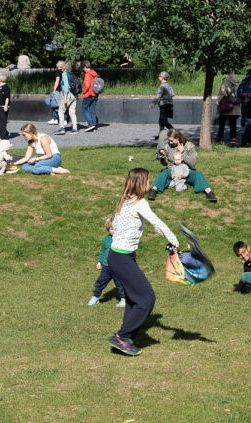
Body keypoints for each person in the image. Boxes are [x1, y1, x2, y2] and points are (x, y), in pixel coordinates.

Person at [105, 168, 180, 356]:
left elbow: (122, 229)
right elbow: (158, 224)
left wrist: (131, 254)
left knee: (133, 299)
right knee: (147, 299)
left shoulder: (124, 200)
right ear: (140, 184)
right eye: (148, 181)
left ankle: (126, 338)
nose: (150, 184)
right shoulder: (140, 203)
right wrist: (174, 241)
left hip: (119, 256)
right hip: (121, 258)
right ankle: (121, 336)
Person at [147, 130, 217, 203]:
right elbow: (165, 163)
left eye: (172, 140)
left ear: (177, 138)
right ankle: (153, 191)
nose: (170, 142)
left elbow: (192, 163)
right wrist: (163, 158)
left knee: (198, 174)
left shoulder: (189, 145)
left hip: (186, 172)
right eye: (169, 140)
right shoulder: (168, 146)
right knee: (164, 173)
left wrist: (183, 152)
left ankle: (209, 193)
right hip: (173, 172)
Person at [88, 215, 126, 308]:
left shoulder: (122, 240)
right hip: (106, 267)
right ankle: (95, 297)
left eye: (116, 228)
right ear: (108, 228)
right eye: (111, 228)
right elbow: (103, 251)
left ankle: (124, 300)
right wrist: (100, 262)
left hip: (118, 267)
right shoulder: (106, 239)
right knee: (100, 281)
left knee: (120, 285)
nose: (113, 230)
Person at [53, 60, 79, 134]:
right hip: (75, 95)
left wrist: (65, 97)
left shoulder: (64, 74)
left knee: (61, 111)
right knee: (72, 112)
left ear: (63, 68)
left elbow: (65, 86)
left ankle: (61, 128)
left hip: (67, 95)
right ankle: (75, 129)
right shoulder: (71, 74)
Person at [215, 71, 239, 144]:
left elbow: (222, 91)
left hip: (226, 102)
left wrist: (218, 100)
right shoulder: (236, 79)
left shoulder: (226, 79)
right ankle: (233, 137)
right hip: (235, 103)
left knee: (222, 120)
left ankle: (220, 136)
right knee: (233, 121)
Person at [80, 59, 100, 133]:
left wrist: (83, 91)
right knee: (92, 109)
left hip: (89, 94)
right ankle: (94, 125)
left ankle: (91, 124)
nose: (83, 69)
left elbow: (87, 85)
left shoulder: (88, 74)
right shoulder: (94, 73)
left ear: (85, 67)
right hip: (95, 94)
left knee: (84, 109)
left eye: (83, 68)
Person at [0, 73, 12, 139]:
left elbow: (7, 97)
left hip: (3, 106)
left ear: (1, 79)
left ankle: (1, 136)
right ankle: (5, 132)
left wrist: (6, 106)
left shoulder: (6, 87)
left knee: (2, 121)